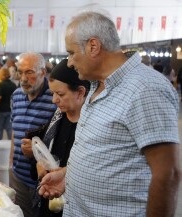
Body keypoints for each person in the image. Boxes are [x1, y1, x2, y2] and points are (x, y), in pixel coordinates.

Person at [39, 11, 181, 217]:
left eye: (71, 53)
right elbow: (107, 152)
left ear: (93, 46)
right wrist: (68, 176)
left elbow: (168, 174)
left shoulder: (146, 88)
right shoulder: (97, 85)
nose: (69, 62)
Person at [21, 59, 89, 217]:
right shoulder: (57, 117)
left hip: (76, 206)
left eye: (60, 94)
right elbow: (45, 152)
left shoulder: (91, 126)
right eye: (53, 94)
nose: (54, 100)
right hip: (48, 200)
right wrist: (39, 164)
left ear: (80, 92)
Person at [10, 52, 57, 217]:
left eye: (29, 72)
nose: (23, 78)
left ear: (42, 73)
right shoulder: (16, 96)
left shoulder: (55, 99)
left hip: (44, 181)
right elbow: (15, 133)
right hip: (18, 177)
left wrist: (37, 153)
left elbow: (63, 142)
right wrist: (10, 165)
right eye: (20, 72)